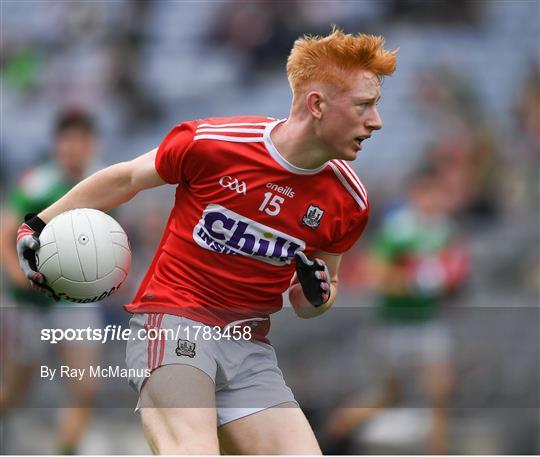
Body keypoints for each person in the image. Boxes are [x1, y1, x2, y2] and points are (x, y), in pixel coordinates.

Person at [16, 29, 397, 454]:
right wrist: (39, 225)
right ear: (317, 105)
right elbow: (125, 179)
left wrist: (317, 293)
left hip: (250, 349)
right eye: (365, 105)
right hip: (175, 325)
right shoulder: (215, 144)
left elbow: (315, 299)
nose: (376, 121)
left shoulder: (350, 199)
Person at [326, 168, 469, 454]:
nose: (433, 200)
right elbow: (375, 275)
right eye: (427, 193)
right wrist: (414, 282)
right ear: (415, 195)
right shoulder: (399, 230)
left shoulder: (443, 230)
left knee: (440, 398)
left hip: (427, 324)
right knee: (388, 396)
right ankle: (333, 435)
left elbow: (453, 272)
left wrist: (448, 282)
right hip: (394, 326)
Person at [0, 110, 103, 454]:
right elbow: (5, 237)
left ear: (92, 144)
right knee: (13, 393)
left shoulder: (102, 183)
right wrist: (24, 278)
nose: (74, 148)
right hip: (30, 304)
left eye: (82, 140)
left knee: (85, 387)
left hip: (73, 302)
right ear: (57, 144)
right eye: (68, 140)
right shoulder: (37, 185)